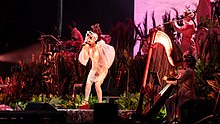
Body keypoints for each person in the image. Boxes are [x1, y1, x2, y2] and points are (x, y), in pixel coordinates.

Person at [78, 31, 115, 106]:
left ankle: (100, 102)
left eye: (90, 38)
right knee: (88, 82)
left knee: (97, 85)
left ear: (94, 39)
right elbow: (85, 58)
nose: (89, 40)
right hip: (94, 69)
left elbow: (103, 60)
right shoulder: (88, 48)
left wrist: (99, 70)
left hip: (102, 69)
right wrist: (84, 50)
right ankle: (86, 101)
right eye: (88, 38)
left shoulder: (99, 47)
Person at [165, 50, 196, 123]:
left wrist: (167, 80)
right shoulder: (186, 70)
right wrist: (171, 76)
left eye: (184, 62)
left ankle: (172, 119)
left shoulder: (189, 71)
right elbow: (178, 78)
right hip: (182, 92)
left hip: (186, 94)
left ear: (188, 63)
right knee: (168, 101)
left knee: (170, 101)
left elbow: (178, 81)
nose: (183, 63)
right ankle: (171, 118)